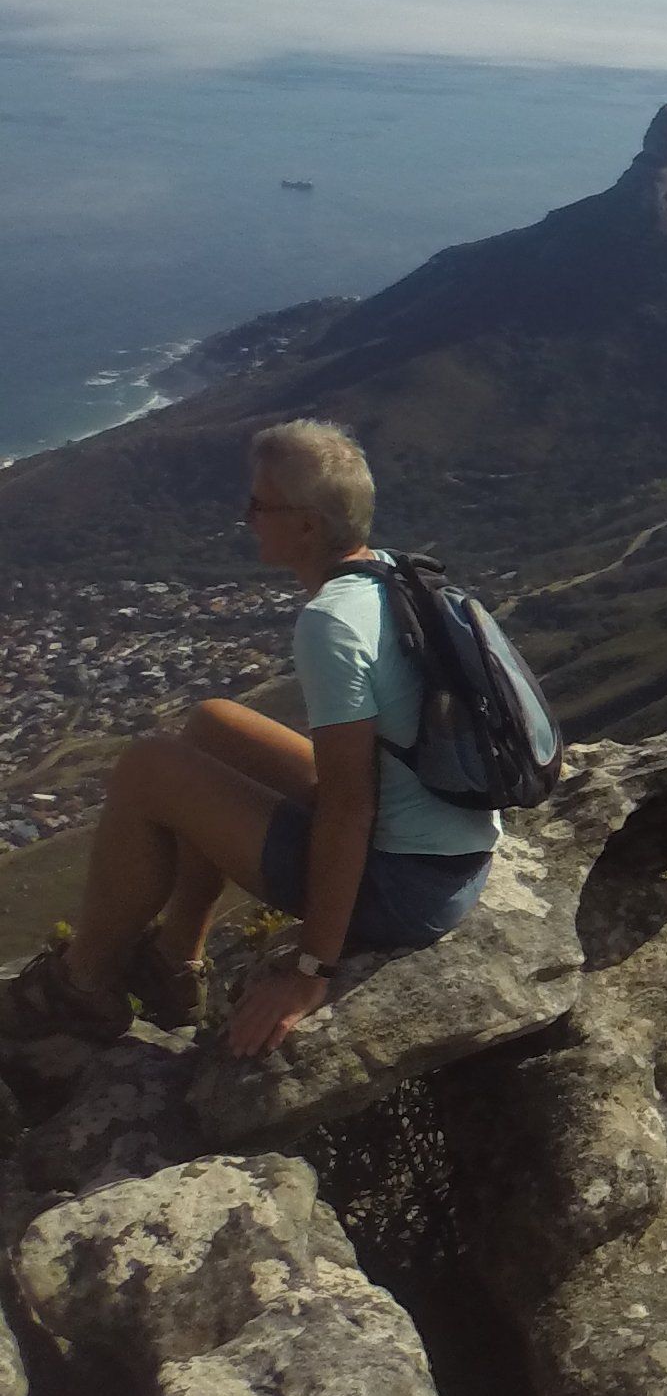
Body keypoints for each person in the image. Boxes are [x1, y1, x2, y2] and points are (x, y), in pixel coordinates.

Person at [1, 419, 497, 1055]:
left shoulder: (332, 624)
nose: (248, 516)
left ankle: (78, 990)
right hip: (454, 856)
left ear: (307, 526)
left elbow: (349, 807)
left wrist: (310, 971)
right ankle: (175, 964)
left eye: (261, 505)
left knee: (149, 767)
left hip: (406, 891)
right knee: (213, 723)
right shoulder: (401, 576)